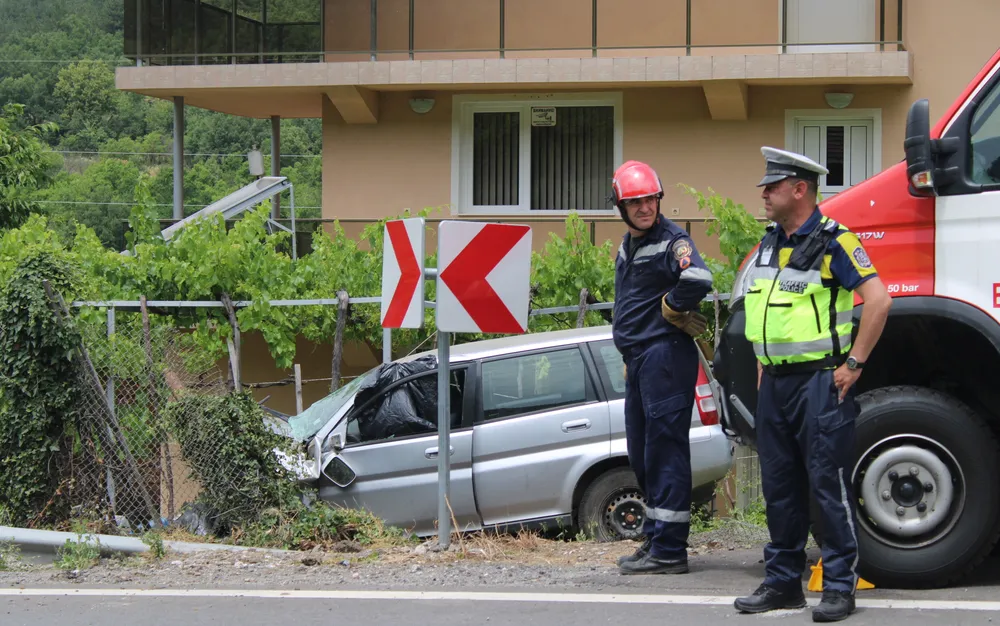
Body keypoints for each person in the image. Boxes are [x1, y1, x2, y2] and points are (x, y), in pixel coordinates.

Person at [733, 147, 891, 622]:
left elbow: (878, 302)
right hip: (776, 386)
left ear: (799, 189)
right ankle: (784, 583)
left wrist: (854, 365)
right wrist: (764, 366)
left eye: (773, 185)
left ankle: (840, 587)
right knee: (779, 489)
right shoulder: (767, 244)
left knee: (828, 487)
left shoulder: (834, 241)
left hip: (821, 383)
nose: (763, 192)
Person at [609, 160, 715, 575]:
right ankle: (656, 538)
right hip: (640, 360)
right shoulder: (627, 244)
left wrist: (672, 307)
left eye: (650, 199)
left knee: (666, 452)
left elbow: (699, 279)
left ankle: (670, 550)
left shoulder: (673, 240)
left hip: (665, 357)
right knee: (643, 454)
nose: (645, 208)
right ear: (620, 206)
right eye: (635, 202)